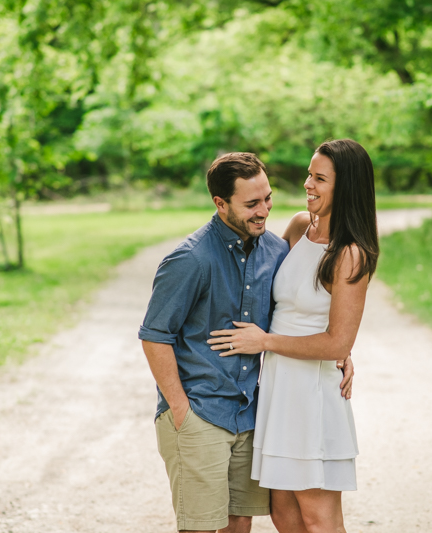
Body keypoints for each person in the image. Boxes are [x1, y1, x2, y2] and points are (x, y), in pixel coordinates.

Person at [139, 152, 354, 533]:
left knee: (240, 522)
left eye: (268, 199)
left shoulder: (275, 250)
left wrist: (340, 349)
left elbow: (299, 307)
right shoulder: (190, 259)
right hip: (201, 412)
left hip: (252, 414)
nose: (264, 211)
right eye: (251, 204)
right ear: (220, 203)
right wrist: (179, 409)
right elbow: (155, 336)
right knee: (201, 526)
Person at [207, 139, 379, 533]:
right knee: (284, 515)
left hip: (311, 396)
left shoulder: (351, 253)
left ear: (346, 187)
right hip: (279, 390)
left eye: (320, 179)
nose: (308, 185)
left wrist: (266, 342)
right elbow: (272, 294)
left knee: (319, 519)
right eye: (309, 174)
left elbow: (337, 342)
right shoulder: (301, 226)